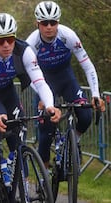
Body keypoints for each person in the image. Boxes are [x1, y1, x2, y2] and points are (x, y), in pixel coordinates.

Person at [0, 13, 61, 183]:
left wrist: (50, 105)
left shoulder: (24, 51)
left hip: (7, 90)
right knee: (1, 119)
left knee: (17, 139)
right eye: (0, 41)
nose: (6, 45)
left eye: (10, 39)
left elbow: (40, 82)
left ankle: (20, 184)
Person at [26, 1, 105, 168]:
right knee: (46, 133)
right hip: (43, 83)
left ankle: (73, 142)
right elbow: (28, 75)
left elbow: (87, 65)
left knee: (85, 116)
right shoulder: (32, 43)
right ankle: (45, 175)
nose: (49, 27)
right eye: (44, 23)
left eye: (53, 22)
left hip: (66, 79)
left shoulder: (68, 36)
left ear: (58, 23)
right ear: (37, 23)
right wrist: (41, 96)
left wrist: (96, 94)